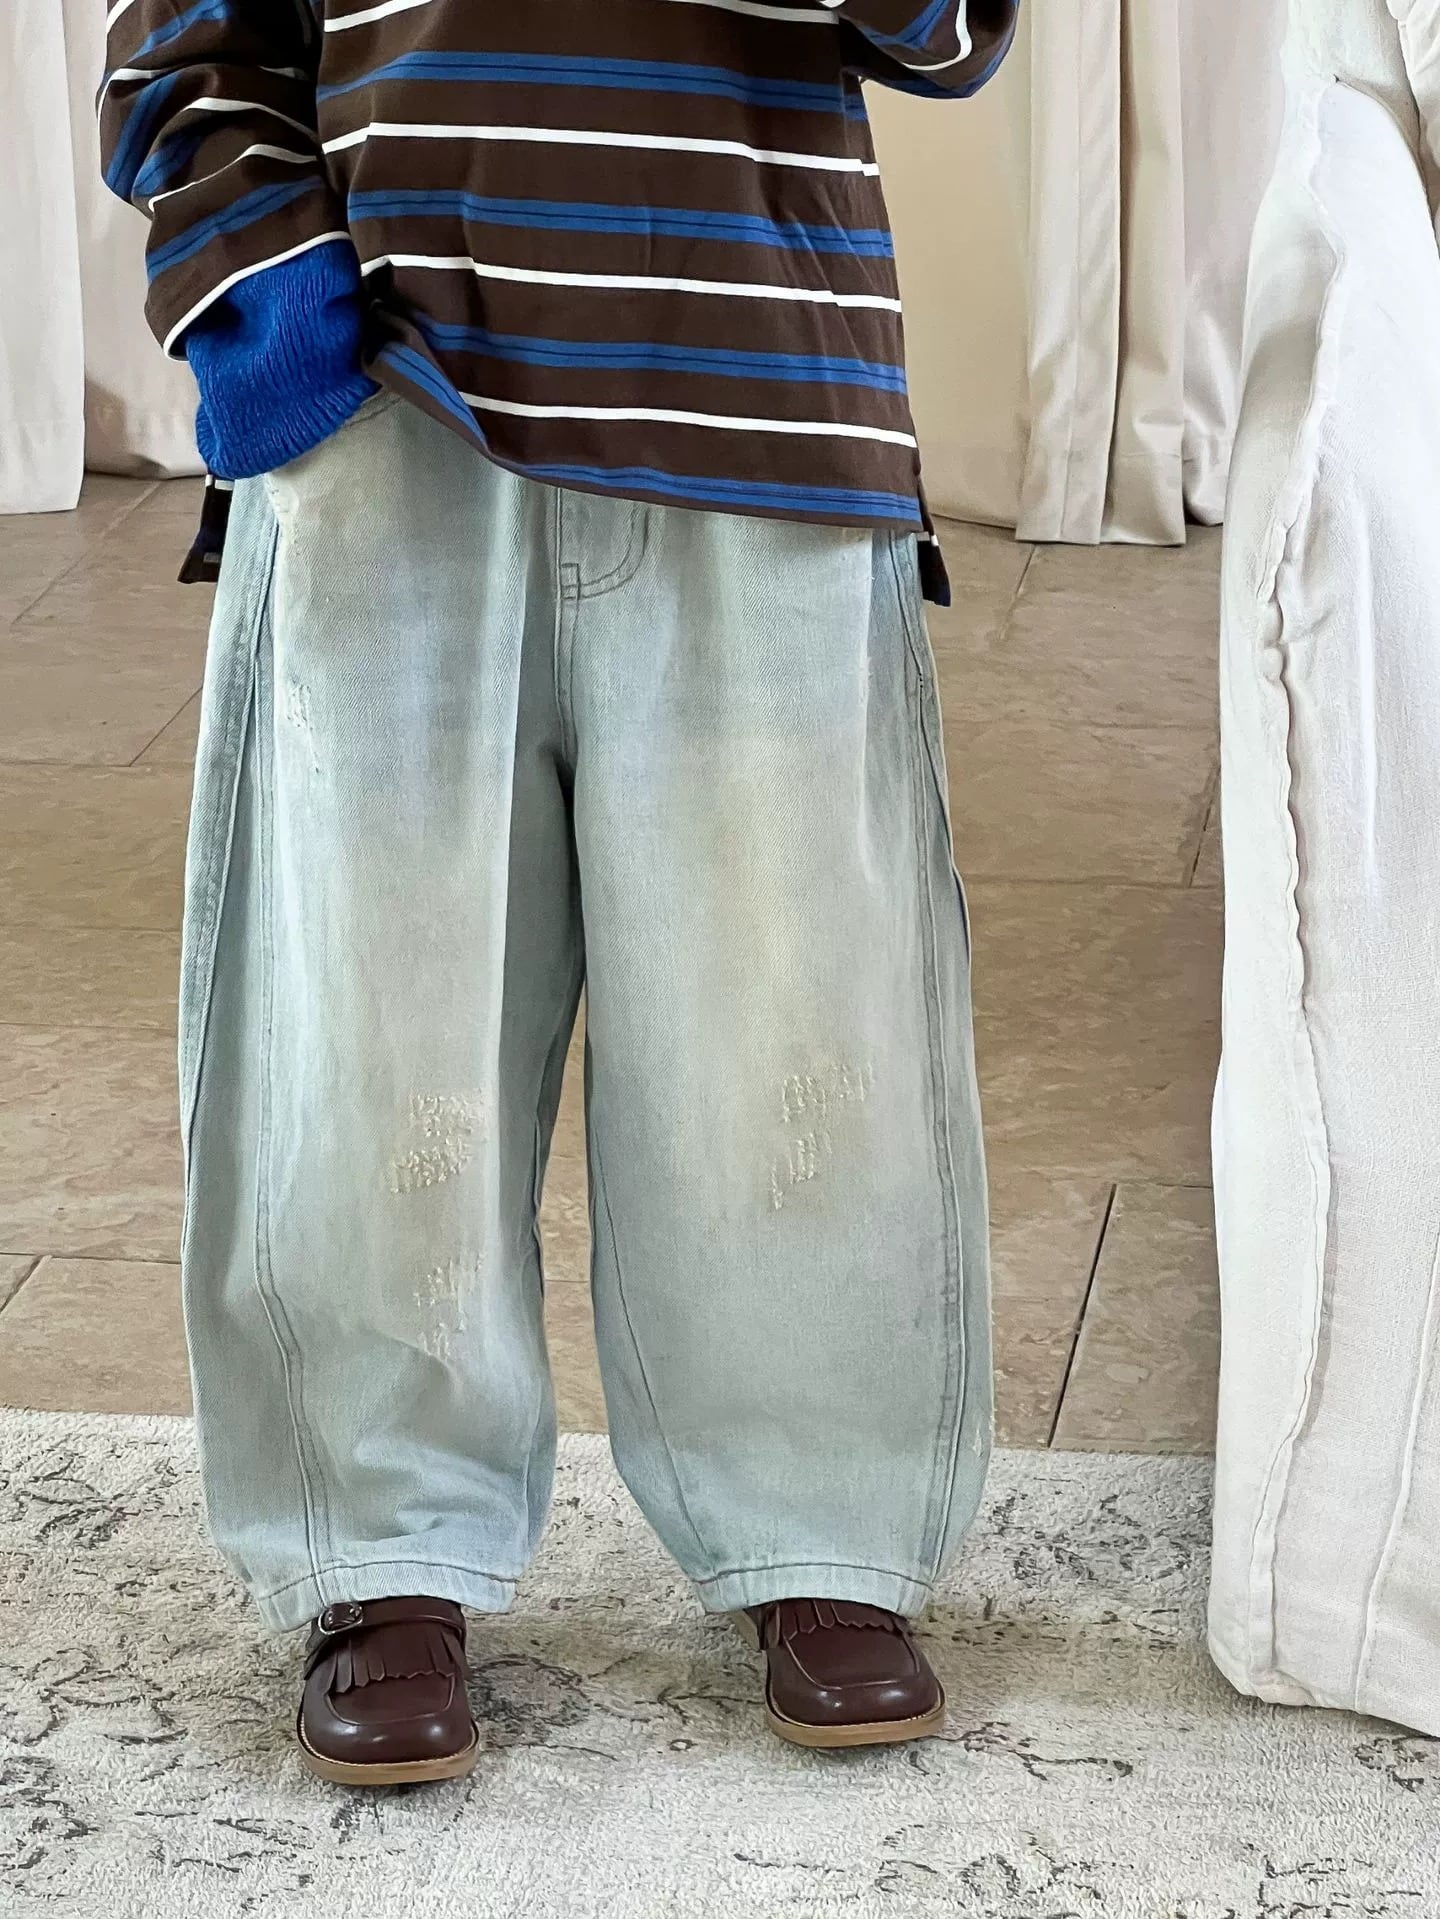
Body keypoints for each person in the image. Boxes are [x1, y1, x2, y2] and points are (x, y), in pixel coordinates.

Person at [100, 0, 1016, 1786]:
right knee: (370, 1022)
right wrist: (283, 329)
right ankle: (379, 1540)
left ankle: (817, 1518)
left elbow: (952, 31)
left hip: (757, 394)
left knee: (792, 1025)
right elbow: (183, 44)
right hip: (393, 407)